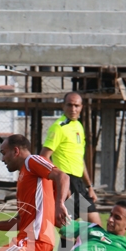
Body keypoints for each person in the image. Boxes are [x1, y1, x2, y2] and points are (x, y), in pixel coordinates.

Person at [40, 92, 101, 226]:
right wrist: (61, 182)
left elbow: (79, 159)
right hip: (68, 182)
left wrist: (89, 186)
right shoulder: (58, 127)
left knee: (95, 227)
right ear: (63, 106)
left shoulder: (78, 126)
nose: (73, 109)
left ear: (81, 107)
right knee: (69, 228)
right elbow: (43, 158)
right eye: (69, 105)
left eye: (76, 106)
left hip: (79, 184)